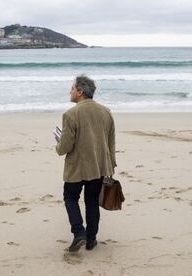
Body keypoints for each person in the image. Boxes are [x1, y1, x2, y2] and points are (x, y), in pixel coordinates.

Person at [55, 75, 116, 252]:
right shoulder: (106, 112)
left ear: (80, 92)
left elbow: (65, 146)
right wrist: (111, 163)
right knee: (91, 202)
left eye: (72, 88)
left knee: (70, 197)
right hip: (99, 166)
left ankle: (79, 232)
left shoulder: (70, 114)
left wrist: (58, 145)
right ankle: (91, 240)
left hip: (77, 166)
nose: (70, 91)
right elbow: (111, 141)